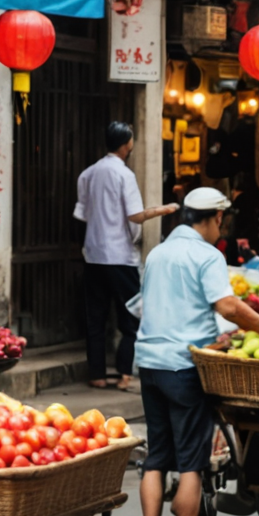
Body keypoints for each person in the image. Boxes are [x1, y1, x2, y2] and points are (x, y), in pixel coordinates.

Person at [134, 188, 259, 516]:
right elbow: (226, 306)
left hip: (150, 364)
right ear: (211, 220)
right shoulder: (207, 255)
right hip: (183, 367)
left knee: (156, 456)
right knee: (192, 460)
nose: (220, 228)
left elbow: (149, 307)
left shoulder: (157, 254)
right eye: (220, 221)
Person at [75, 122, 180, 389]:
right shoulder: (124, 175)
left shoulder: (88, 174)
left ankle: (97, 374)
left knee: (96, 318)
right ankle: (124, 374)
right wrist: (161, 209)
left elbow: (82, 214)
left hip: (94, 255)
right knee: (132, 317)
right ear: (127, 145)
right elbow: (134, 215)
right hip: (120, 256)